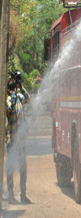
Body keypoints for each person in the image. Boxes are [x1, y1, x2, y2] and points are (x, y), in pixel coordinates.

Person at [6, 72, 31, 205]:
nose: (14, 83)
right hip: (12, 140)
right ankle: (11, 196)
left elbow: (28, 99)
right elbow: (9, 110)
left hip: (21, 141)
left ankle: (23, 195)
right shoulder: (8, 99)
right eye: (12, 82)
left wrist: (21, 87)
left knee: (23, 168)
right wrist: (11, 93)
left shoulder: (19, 95)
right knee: (10, 168)